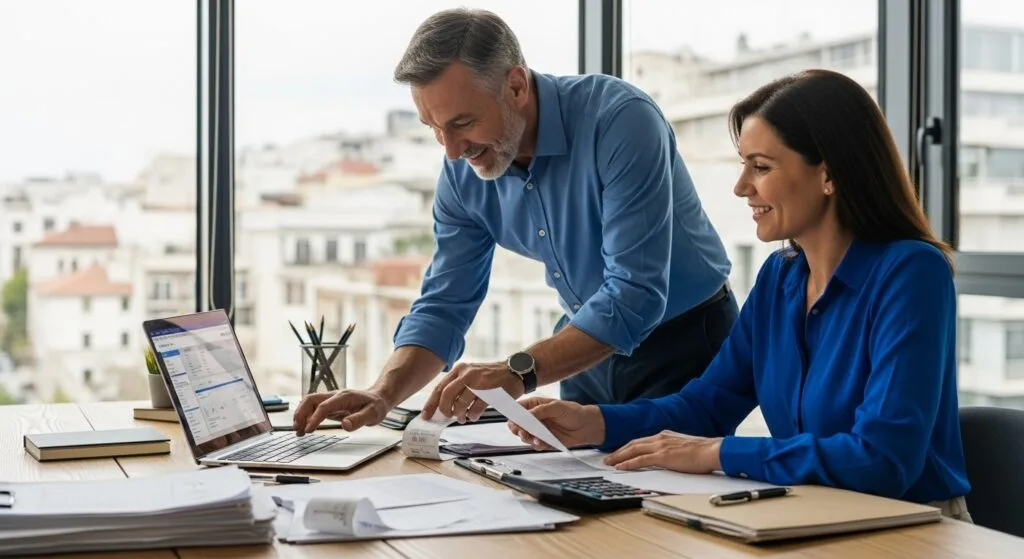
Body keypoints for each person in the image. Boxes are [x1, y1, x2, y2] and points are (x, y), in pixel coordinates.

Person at [507, 69, 973, 521]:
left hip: (911, 525)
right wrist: (598, 423)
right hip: (814, 514)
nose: (741, 187)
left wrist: (720, 453)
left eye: (761, 167)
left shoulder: (911, 273)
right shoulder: (780, 278)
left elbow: (883, 458)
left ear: (828, 174)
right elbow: (709, 403)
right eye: (743, 165)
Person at [294, 8, 735, 433]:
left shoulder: (620, 120)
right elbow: (445, 304)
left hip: (685, 344)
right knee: (581, 495)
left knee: (667, 500)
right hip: (581, 349)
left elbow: (635, 294)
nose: (451, 150)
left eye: (463, 122)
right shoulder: (461, 172)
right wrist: (383, 392)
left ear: (517, 86)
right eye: (434, 127)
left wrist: (516, 370)